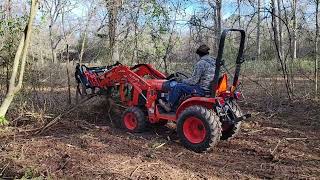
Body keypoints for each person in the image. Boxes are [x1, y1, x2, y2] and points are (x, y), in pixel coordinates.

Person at [159, 44, 216, 112]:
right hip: (210, 88)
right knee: (184, 85)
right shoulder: (214, 62)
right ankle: (177, 105)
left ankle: (168, 105)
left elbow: (193, 81)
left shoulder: (201, 63)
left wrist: (181, 80)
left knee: (178, 86)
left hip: (202, 89)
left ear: (199, 54)